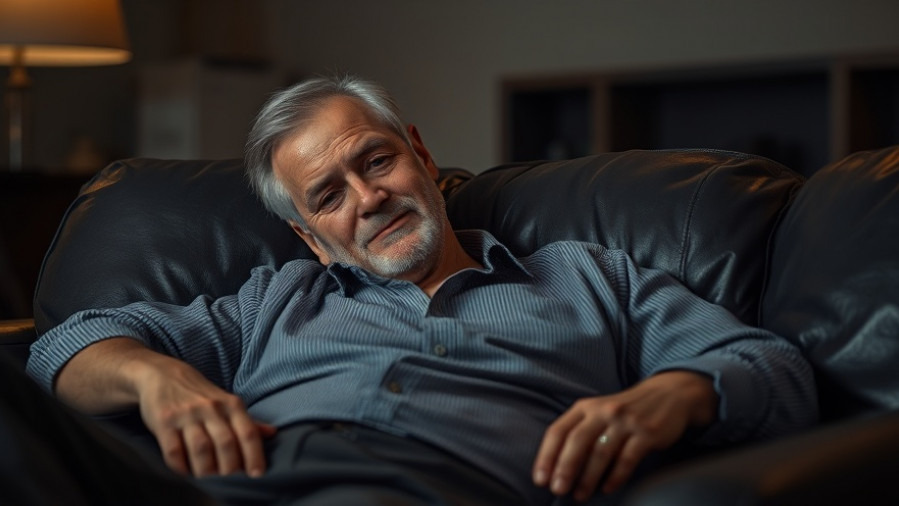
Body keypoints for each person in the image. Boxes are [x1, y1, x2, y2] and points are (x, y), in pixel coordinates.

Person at [24, 75, 818, 505]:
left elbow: (770, 368)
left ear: (420, 155)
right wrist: (155, 376)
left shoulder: (587, 277)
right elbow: (60, 346)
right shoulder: (275, 299)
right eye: (327, 196)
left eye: (374, 162)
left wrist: (675, 393)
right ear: (308, 235)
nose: (366, 199)